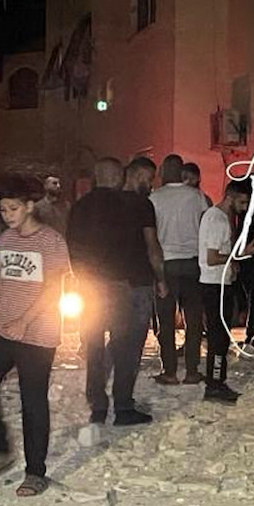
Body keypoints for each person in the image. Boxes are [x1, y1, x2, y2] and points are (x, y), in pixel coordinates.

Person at [0, 175, 73, 498]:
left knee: (33, 400)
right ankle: (2, 447)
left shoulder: (51, 241)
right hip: (3, 327)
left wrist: (24, 321)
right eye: (3, 210)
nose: (7, 215)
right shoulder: (6, 240)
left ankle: (35, 472)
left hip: (37, 332)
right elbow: (3, 283)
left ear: (29, 206)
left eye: (13, 208)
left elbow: (54, 287)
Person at [69, 156, 165, 425]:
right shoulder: (134, 205)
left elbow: (72, 248)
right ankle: (123, 406)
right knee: (126, 348)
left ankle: (97, 404)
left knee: (94, 346)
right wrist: (161, 278)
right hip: (125, 285)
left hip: (90, 287)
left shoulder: (79, 207)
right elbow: (151, 245)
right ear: (119, 177)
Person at [150, 158, 210, 384]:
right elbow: (205, 223)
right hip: (193, 264)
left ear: (164, 172)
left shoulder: (155, 197)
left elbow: (150, 232)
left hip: (166, 264)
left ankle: (170, 371)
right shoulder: (196, 196)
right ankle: (192, 370)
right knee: (193, 319)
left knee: (166, 320)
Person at [197, 180, 253, 403]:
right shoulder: (217, 219)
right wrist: (240, 255)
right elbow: (212, 258)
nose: (245, 207)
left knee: (220, 336)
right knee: (218, 338)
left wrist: (233, 262)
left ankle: (216, 382)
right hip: (214, 285)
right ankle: (215, 385)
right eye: (242, 202)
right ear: (230, 196)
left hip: (219, 283)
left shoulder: (217, 217)